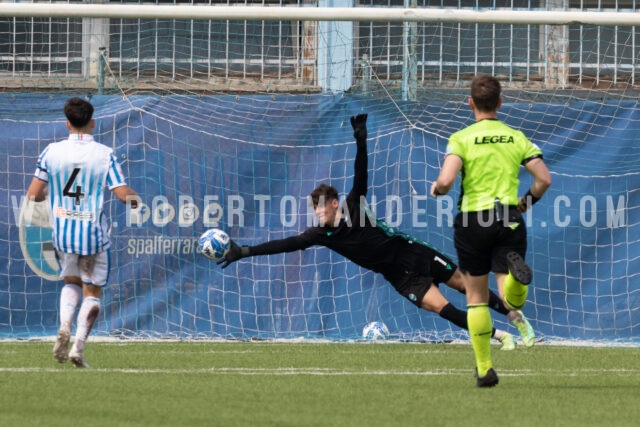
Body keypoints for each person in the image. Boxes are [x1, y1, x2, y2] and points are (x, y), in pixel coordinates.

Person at [215, 113, 534, 350]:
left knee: (468, 287)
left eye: (321, 207)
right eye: (314, 209)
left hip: (413, 252)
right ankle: (499, 337)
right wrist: (244, 251)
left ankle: (516, 320)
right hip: (398, 275)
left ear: (335, 203)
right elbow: (286, 244)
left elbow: (361, 173)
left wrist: (361, 140)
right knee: (442, 308)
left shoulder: (354, 205)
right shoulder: (319, 235)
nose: (317, 213)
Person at [431, 75, 552, 387]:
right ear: (500, 103)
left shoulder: (462, 138)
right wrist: (525, 203)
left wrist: (437, 189)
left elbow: (445, 181)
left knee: (476, 298)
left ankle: (485, 370)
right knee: (511, 299)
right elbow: (543, 179)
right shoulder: (516, 137)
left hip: (473, 220)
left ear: (470, 103)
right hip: (508, 216)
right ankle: (517, 282)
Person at [26, 97, 139, 368]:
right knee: (93, 291)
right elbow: (123, 195)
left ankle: (64, 324)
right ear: (93, 123)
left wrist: (48, 196)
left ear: (67, 123)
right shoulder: (104, 154)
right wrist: (138, 201)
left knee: (71, 283)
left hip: (63, 233)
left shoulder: (51, 152)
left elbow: (33, 195)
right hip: (91, 235)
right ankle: (78, 347)